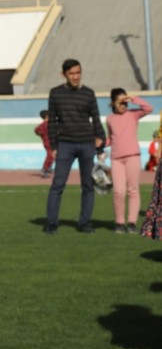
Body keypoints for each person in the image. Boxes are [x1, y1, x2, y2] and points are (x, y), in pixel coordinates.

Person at [44, 59, 106, 235]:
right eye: (71, 73)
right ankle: (51, 223)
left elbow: (96, 119)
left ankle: (84, 223)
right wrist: (53, 146)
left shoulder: (89, 93)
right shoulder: (55, 93)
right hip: (65, 144)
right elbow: (52, 122)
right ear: (63, 74)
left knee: (88, 186)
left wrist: (101, 144)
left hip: (87, 144)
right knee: (58, 184)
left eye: (78, 73)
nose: (75, 76)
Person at [105, 89, 153, 234]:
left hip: (133, 156)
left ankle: (132, 222)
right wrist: (100, 144)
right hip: (116, 159)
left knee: (133, 190)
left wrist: (133, 99)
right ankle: (119, 223)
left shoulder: (133, 114)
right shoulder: (109, 119)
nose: (124, 105)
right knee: (118, 192)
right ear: (113, 103)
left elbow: (148, 108)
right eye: (120, 102)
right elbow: (111, 139)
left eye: (125, 102)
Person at [34, 108, 54, 177]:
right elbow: (36, 130)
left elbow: (36, 130)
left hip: (51, 142)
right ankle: (44, 168)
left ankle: (49, 167)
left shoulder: (48, 124)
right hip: (48, 142)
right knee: (50, 155)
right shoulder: (45, 124)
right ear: (47, 116)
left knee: (52, 155)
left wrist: (40, 134)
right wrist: (41, 134)